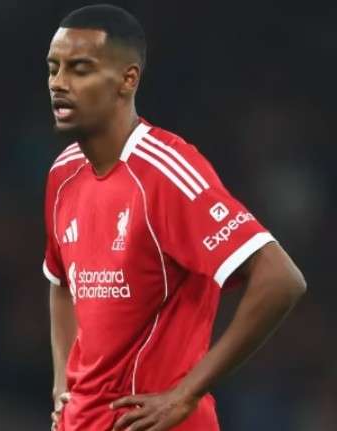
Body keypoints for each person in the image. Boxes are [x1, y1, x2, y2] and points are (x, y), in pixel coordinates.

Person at [42, 5, 306, 431]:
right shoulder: (63, 173)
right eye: (53, 68)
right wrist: (62, 385)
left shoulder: (165, 171)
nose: (58, 83)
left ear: (128, 79)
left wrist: (186, 393)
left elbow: (281, 279)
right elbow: (60, 281)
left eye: (79, 68)